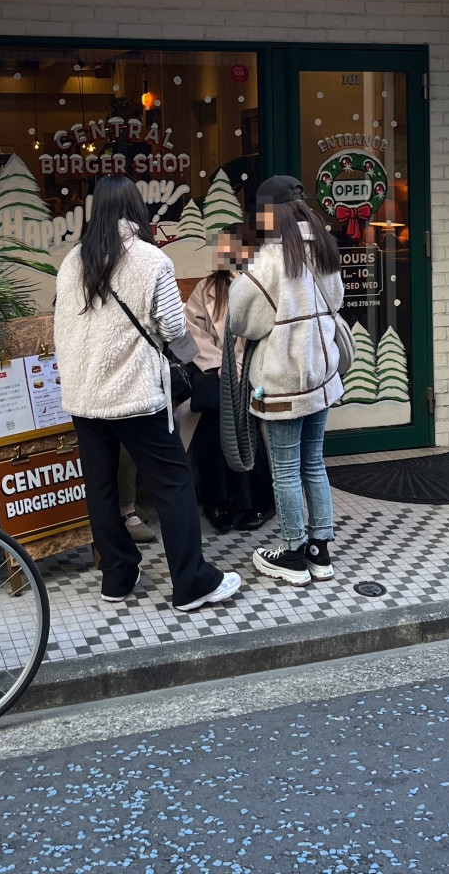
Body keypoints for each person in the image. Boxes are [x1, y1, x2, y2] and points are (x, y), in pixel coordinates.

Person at [54, 174, 240, 611]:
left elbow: (63, 322)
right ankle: (191, 582)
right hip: (133, 393)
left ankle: (117, 575)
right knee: (172, 482)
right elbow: (173, 327)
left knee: (100, 486)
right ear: (136, 209)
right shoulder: (151, 259)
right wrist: (195, 359)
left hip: (84, 395)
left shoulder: (73, 260)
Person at [227, 175, 343, 586]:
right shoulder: (325, 248)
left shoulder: (270, 259)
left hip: (282, 382)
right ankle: (319, 552)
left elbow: (241, 319)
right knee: (314, 463)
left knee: (286, 470)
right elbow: (338, 301)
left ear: (267, 214)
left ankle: (292, 554)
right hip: (320, 377)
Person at [179, 227, 272, 533]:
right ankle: (216, 501)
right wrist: (222, 365)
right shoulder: (207, 288)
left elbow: (267, 332)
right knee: (214, 419)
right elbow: (193, 332)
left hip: (254, 374)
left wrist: (242, 366)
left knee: (245, 420)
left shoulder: (262, 283)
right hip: (215, 373)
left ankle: (253, 501)